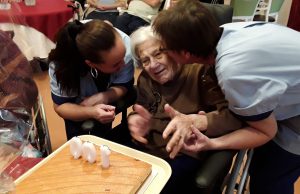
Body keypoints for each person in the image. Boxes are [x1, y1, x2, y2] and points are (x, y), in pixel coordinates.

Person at [152, 0, 300, 194]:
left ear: (185, 54)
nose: (163, 52)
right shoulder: (226, 30)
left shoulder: (233, 72)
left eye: (165, 49)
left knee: (270, 179)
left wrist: (212, 143)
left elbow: (266, 132)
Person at [129, 26, 243, 194]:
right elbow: (143, 108)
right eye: (145, 60)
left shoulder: (201, 72)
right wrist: (135, 119)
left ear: (172, 51)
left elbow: (233, 117)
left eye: (158, 54)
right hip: (151, 150)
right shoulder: (146, 79)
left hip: (187, 153)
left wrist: (200, 121)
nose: (153, 65)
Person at [48, 20, 135, 144]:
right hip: (76, 105)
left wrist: (105, 96)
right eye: (116, 64)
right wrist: (90, 112)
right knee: (79, 141)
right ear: (91, 64)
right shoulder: (62, 61)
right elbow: (61, 106)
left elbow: (124, 85)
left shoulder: (124, 44)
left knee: (103, 134)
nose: (123, 64)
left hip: (104, 96)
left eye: (123, 57)